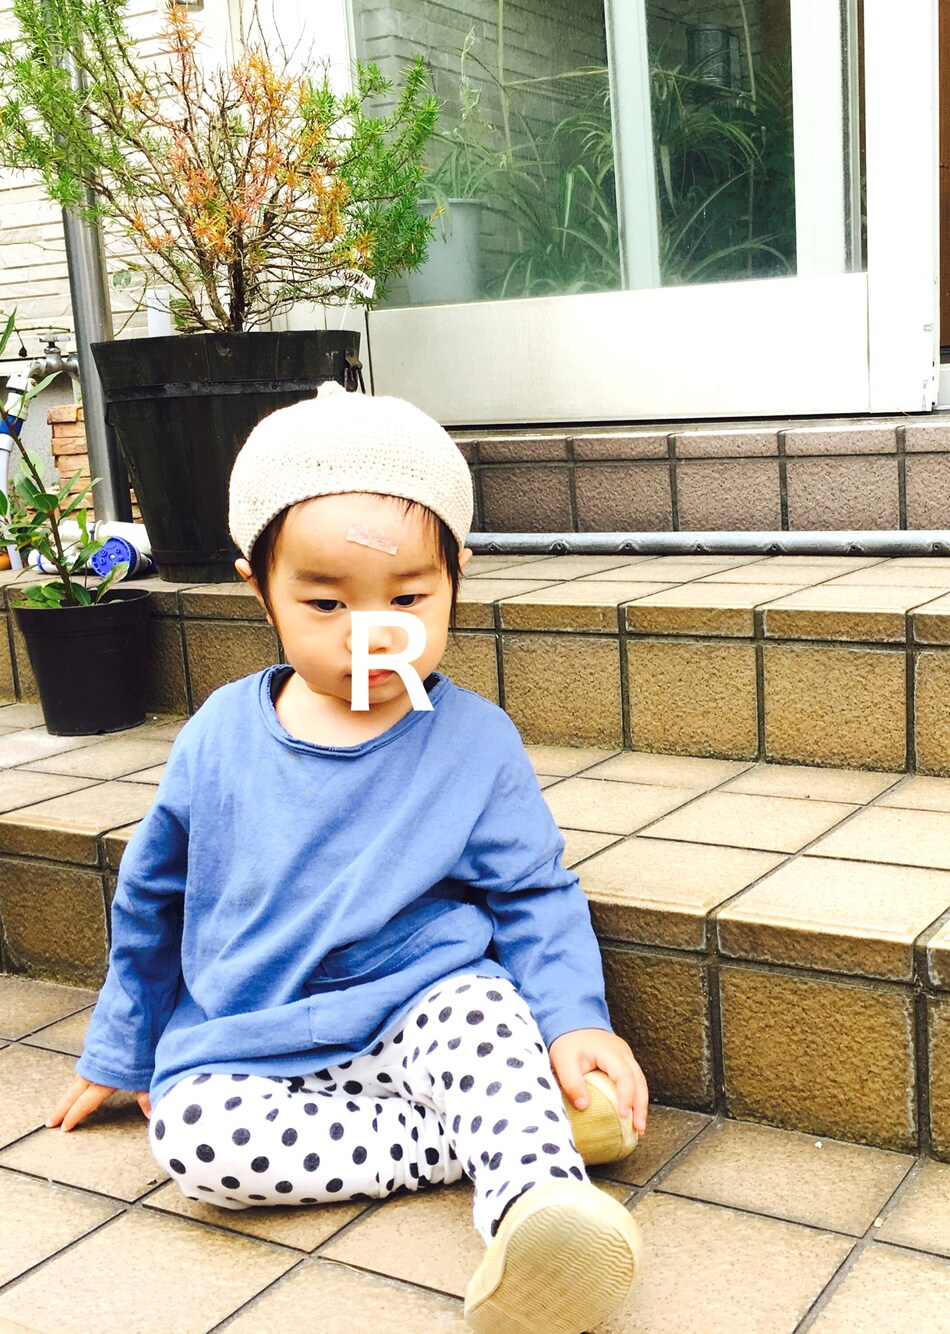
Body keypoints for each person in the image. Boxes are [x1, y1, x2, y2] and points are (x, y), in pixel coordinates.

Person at [48, 383, 647, 1333]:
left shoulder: (474, 740)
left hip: (419, 1003)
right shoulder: (216, 736)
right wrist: (122, 1047)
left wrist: (575, 1021)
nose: (370, 633)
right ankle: (504, 1137)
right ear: (259, 590)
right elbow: (152, 896)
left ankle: (534, 1207)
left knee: (485, 1015)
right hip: (255, 1029)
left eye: (407, 598)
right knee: (192, 1140)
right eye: (325, 602)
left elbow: (533, 894)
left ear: (457, 579)